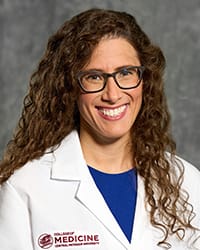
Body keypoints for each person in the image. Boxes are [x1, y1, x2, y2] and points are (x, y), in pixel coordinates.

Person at [0, 8, 199, 250]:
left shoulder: (187, 182)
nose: (113, 95)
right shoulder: (25, 188)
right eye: (94, 77)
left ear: (145, 81)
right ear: (70, 87)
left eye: (125, 73)